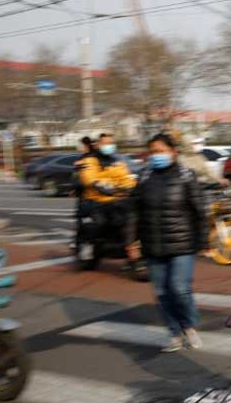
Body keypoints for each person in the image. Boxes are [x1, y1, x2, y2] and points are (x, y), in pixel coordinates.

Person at [129, 134, 209, 353]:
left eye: (161, 150)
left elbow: (200, 211)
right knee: (162, 292)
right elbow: (134, 211)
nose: (157, 155)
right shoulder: (144, 176)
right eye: (153, 151)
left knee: (179, 288)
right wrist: (130, 241)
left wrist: (203, 240)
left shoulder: (186, 175)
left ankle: (189, 326)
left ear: (173, 151)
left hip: (182, 244)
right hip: (152, 244)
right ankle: (174, 333)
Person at [75, 133, 138, 262]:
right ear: (98, 144)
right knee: (100, 223)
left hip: (117, 200)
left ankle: (129, 246)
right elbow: (89, 178)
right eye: (105, 143)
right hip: (96, 200)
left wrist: (132, 186)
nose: (109, 146)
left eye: (111, 143)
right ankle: (88, 245)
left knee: (131, 218)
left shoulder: (117, 161)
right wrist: (101, 186)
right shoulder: (89, 160)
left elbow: (126, 178)